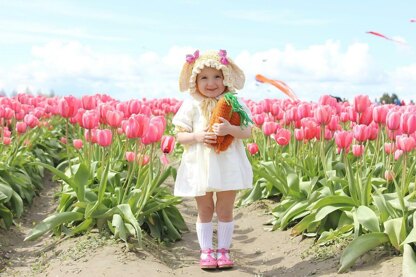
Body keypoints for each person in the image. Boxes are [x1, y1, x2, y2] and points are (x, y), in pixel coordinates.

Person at [172, 49, 253, 269]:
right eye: (204, 78)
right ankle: (206, 251)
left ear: (226, 77)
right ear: (195, 81)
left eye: (217, 76)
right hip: (202, 165)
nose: (211, 83)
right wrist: (197, 136)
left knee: (226, 209)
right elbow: (180, 136)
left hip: (228, 162)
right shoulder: (191, 104)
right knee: (205, 208)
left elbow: (247, 132)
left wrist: (230, 129)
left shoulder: (234, 102)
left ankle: (224, 251)